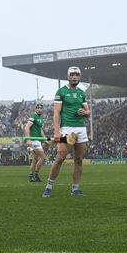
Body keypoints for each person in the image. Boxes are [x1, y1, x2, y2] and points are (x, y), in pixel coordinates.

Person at [42, 66, 90, 198]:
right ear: (68, 76)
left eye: (77, 74)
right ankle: (48, 187)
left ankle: (75, 189)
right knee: (60, 157)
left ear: (79, 77)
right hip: (67, 128)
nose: (75, 76)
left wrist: (85, 112)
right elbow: (56, 113)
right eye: (72, 74)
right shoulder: (61, 92)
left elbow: (88, 111)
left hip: (81, 129)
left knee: (79, 159)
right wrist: (57, 132)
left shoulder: (82, 93)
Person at [24, 103, 47, 182]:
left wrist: (45, 140)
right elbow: (27, 127)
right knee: (43, 157)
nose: (39, 109)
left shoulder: (40, 118)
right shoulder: (33, 116)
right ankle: (36, 174)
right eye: (38, 108)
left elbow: (40, 131)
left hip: (37, 140)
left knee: (34, 160)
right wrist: (28, 139)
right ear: (35, 109)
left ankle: (31, 177)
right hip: (33, 140)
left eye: (41, 108)